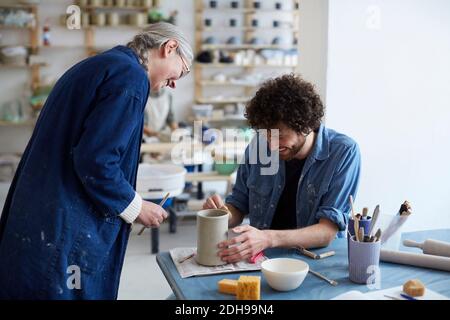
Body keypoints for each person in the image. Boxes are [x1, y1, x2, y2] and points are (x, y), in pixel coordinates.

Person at [0, 22, 193, 299]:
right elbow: (97, 162)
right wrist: (136, 207)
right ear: (169, 47)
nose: (175, 83)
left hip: (42, 210)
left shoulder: (103, 64)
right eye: (182, 72)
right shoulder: (131, 77)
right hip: (63, 221)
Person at [203, 74, 361, 263]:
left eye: (280, 136)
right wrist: (222, 214)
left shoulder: (343, 152)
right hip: (261, 259)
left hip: (316, 262)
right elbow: (238, 205)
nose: (271, 146)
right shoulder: (259, 146)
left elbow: (326, 231)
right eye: (267, 136)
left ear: (305, 125)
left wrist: (268, 238)